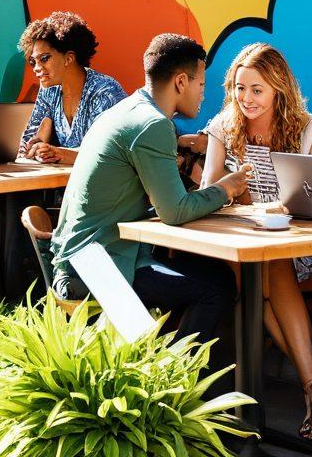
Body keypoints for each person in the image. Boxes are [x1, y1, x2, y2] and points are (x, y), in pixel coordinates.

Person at [49, 34, 250, 386]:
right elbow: (174, 210)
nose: (204, 92)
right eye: (201, 83)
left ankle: (170, 378)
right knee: (214, 288)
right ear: (180, 81)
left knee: (214, 274)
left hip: (81, 257)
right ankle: (172, 388)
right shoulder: (153, 124)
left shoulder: (126, 110)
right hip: (99, 270)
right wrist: (226, 188)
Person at [200, 43, 312, 441]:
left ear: (278, 88)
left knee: (269, 270)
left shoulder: (305, 127)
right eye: (239, 88)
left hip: (292, 243)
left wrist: (278, 209)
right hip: (235, 240)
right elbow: (207, 191)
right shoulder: (222, 127)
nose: (246, 99)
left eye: (257, 90)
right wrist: (238, 195)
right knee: (261, 267)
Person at [17, 11, 127, 164]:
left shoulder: (105, 91)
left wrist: (57, 153)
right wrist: (36, 148)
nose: (36, 67)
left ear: (69, 58)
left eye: (44, 59)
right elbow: (28, 143)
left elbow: (108, 154)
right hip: (64, 183)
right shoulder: (49, 89)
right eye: (33, 62)